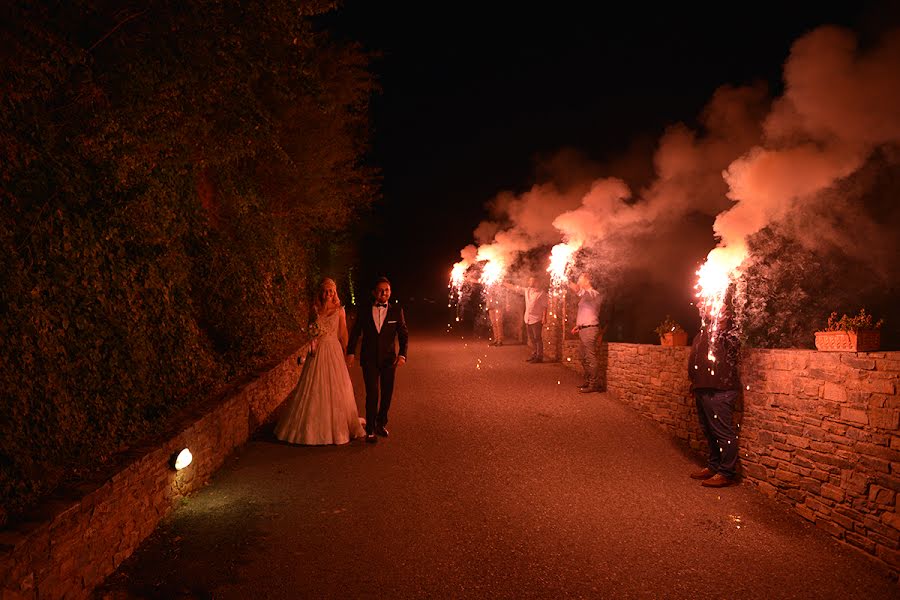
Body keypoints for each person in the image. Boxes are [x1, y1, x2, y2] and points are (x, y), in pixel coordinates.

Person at [274, 278, 366, 445]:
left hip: (333, 351)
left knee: (335, 387)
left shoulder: (339, 310)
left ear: (334, 293)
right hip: (317, 351)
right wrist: (312, 340)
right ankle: (311, 428)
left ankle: (336, 427)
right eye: (325, 291)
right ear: (321, 292)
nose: (328, 294)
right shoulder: (314, 309)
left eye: (331, 291)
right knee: (314, 387)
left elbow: (343, 333)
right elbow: (310, 330)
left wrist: (348, 352)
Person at [688, 287, 741, 488]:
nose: (711, 307)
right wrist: (693, 383)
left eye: (718, 305)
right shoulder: (703, 331)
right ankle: (714, 465)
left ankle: (726, 472)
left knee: (723, 432)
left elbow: (732, 349)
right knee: (708, 430)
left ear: (726, 312)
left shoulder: (730, 333)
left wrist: (721, 324)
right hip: (702, 387)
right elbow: (695, 358)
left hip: (721, 388)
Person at [347, 277, 409, 443]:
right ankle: (370, 429)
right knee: (372, 393)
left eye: (387, 290)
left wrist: (402, 354)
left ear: (390, 292)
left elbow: (403, 334)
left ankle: (381, 423)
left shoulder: (396, 310)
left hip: (389, 359)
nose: (384, 293)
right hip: (369, 358)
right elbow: (356, 332)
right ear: (374, 292)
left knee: (387, 393)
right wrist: (351, 351)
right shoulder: (365, 310)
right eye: (381, 290)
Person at [568, 273, 604, 393]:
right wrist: (578, 326)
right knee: (583, 357)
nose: (578, 281)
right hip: (584, 329)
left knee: (590, 357)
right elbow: (586, 313)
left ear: (587, 281)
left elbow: (579, 290)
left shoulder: (593, 294)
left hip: (590, 330)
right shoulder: (586, 296)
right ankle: (589, 381)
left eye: (580, 279)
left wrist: (566, 279)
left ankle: (594, 384)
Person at [503, 275, 549, 362]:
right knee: (532, 338)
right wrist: (504, 283)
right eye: (530, 281)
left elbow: (545, 306)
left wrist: (544, 317)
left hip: (537, 319)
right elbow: (516, 288)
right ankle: (534, 354)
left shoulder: (541, 293)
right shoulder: (527, 291)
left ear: (536, 282)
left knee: (537, 338)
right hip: (528, 318)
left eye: (532, 281)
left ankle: (539, 357)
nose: (530, 282)